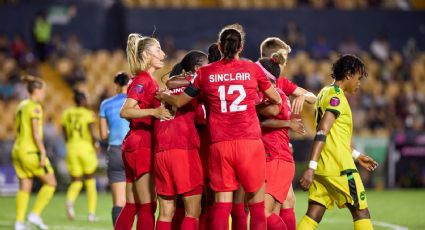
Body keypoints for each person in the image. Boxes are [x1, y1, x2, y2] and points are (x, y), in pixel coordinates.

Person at [157, 24, 281, 230]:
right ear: (241, 47)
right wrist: (251, 103)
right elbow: (275, 99)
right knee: (256, 205)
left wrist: (162, 95)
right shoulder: (253, 70)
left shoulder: (205, 72)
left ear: (219, 46)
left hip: (220, 145)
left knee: (222, 205)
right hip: (249, 142)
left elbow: (179, 102)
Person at [298, 54, 379, 230]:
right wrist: (310, 168)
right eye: (358, 77)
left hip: (323, 166)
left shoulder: (324, 92)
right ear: (349, 75)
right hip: (339, 168)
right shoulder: (338, 98)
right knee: (361, 211)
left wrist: (357, 156)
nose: (359, 82)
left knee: (314, 213)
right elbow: (322, 131)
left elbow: (335, 138)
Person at [116, 33, 172, 230]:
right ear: (147, 54)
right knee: (149, 206)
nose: (163, 53)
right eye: (158, 50)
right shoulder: (144, 80)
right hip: (142, 145)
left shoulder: (147, 80)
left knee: (133, 204)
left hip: (134, 144)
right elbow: (125, 111)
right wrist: (155, 112)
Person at [259, 37, 316, 230]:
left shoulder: (280, 83)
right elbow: (261, 118)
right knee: (268, 209)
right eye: (283, 58)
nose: (285, 63)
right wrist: (287, 122)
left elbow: (312, 97)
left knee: (287, 201)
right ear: (271, 57)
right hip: (266, 151)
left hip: (278, 151)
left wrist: (303, 95)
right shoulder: (257, 82)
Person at [154, 50, 208, 230]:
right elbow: (201, 118)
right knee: (192, 212)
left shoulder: (168, 87)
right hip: (183, 149)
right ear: (198, 68)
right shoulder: (194, 89)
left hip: (161, 151)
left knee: (165, 213)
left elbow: (171, 83)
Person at [12, 76, 57, 230]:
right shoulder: (35, 107)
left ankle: (19, 223)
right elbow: (35, 133)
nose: (44, 94)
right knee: (51, 183)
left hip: (18, 150)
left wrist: (30, 78)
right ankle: (35, 214)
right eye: (43, 91)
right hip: (31, 151)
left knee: (25, 185)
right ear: (36, 91)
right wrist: (43, 152)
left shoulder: (21, 105)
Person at [99, 72, 130, 226]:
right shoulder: (136, 102)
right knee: (141, 201)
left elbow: (103, 134)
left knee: (119, 201)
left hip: (116, 151)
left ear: (116, 85)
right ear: (129, 84)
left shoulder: (105, 104)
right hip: (134, 150)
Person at [62, 89, 98, 222]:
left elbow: (64, 133)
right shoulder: (88, 114)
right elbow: (92, 132)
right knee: (90, 180)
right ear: (82, 100)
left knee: (76, 181)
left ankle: (70, 201)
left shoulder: (66, 113)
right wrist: (97, 144)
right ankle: (91, 213)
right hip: (85, 148)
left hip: (71, 148)